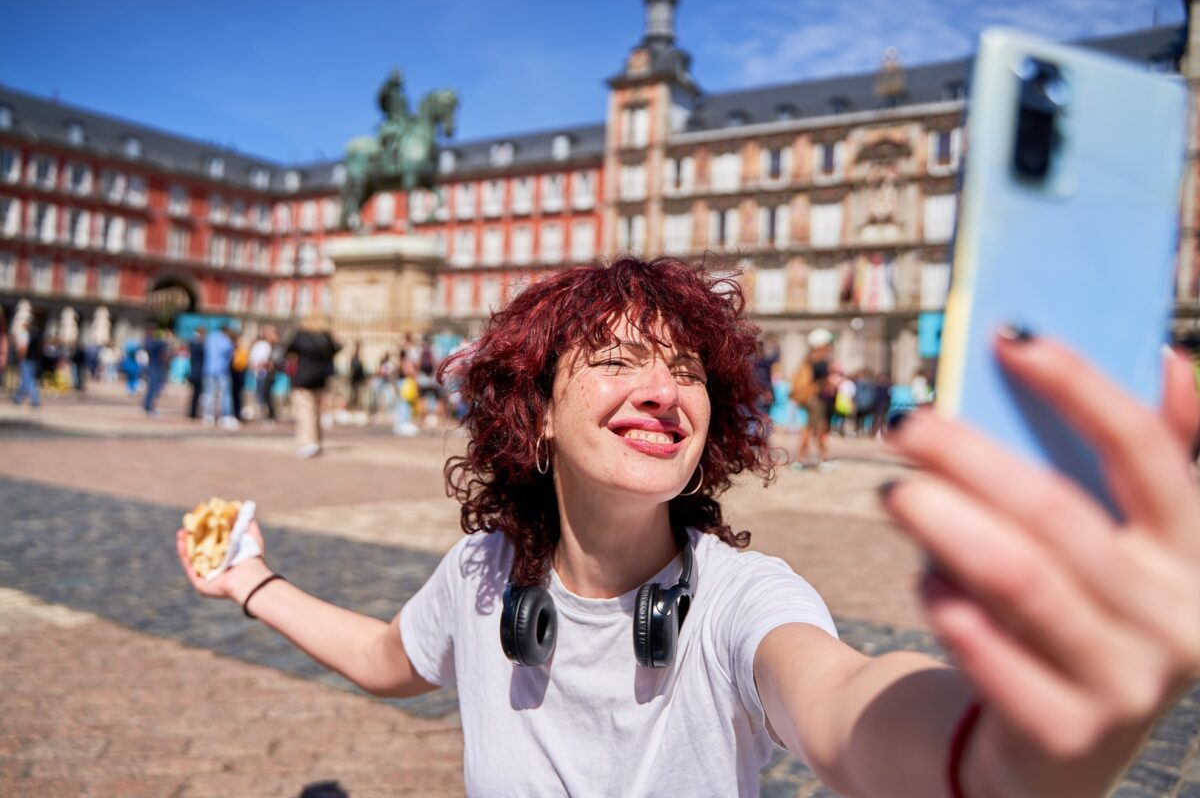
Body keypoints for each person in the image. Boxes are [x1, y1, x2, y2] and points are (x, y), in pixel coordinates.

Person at [177, 257, 1200, 797]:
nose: (663, 389)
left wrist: (1003, 752)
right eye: (617, 360)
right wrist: (250, 581)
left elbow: (849, 700)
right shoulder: (485, 572)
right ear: (533, 417)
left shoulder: (740, 600)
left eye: (687, 369)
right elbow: (385, 654)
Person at [285, 314, 341, 458]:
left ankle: (308, 442)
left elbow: (288, 350)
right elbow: (337, 349)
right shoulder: (326, 337)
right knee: (316, 411)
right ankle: (316, 441)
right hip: (322, 377)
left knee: (305, 411)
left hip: (304, 377)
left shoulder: (301, 336)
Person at [790, 327, 835, 471]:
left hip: (810, 399)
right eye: (827, 344)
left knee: (810, 429)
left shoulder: (808, 360)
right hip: (816, 400)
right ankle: (820, 459)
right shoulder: (820, 361)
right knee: (815, 429)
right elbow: (825, 382)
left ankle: (803, 460)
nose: (829, 347)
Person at [203, 324, 238, 429]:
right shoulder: (225, 340)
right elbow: (231, 352)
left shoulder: (210, 338)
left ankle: (208, 415)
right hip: (222, 370)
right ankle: (225, 416)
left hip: (208, 369)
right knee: (225, 394)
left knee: (209, 393)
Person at [248, 326, 279, 423]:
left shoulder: (271, 346)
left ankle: (268, 414)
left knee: (265, 394)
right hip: (262, 373)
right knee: (262, 394)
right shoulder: (263, 345)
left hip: (266, 374)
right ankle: (266, 413)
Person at [11, 315, 42, 408]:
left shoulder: (27, 334)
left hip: (27, 359)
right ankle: (18, 397)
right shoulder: (37, 334)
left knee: (27, 379)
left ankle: (34, 398)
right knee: (28, 379)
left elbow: (24, 347)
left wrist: (20, 358)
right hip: (35, 359)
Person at [142, 323, 170, 417]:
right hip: (154, 367)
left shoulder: (153, 341)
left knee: (155, 389)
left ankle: (148, 405)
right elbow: (163, 344)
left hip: (156, 367)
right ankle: (149, 406)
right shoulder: (150, 342)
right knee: (153, 389)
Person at [187, 327, 206, 420]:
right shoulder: (198, 345)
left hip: (194, 371)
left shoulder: (193, 344)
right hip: (198, 372)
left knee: (195, 394)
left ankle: (193, 412)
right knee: (197, 394)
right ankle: (193, 413)